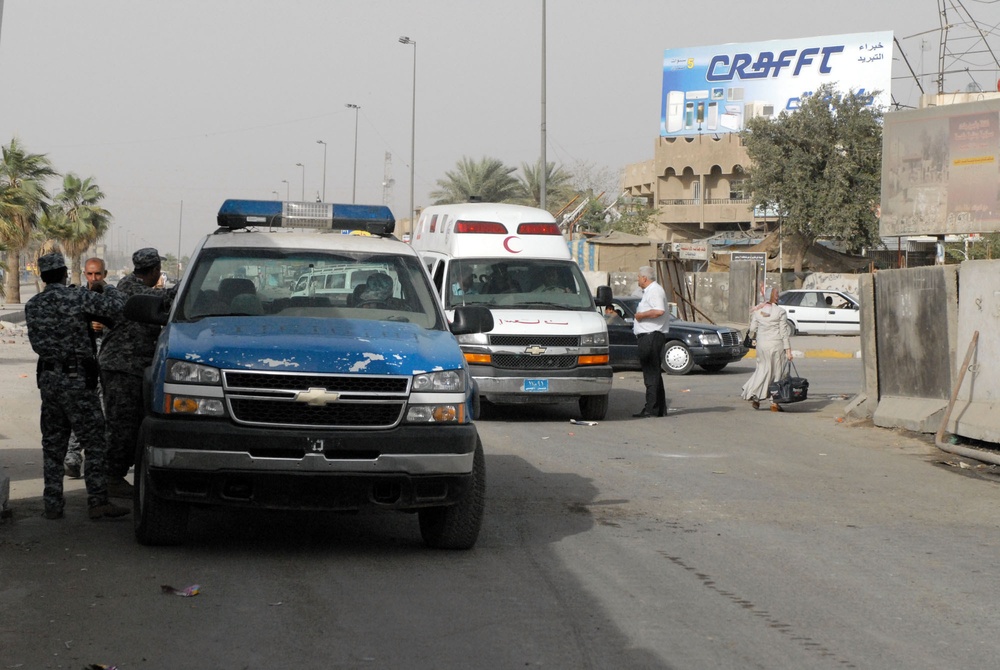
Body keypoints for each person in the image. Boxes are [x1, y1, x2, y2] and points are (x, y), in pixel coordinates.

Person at [25, 252, 129, 520]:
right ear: (63, 273)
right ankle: (97, 502)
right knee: (94, 442)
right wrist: (105, 287)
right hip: (76, 380)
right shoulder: (78, 297)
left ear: (42, 276)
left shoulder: (34, 304)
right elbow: (118, 308)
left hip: (49, 380)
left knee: (53, 444)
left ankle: (53, 505)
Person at [99, 248, 177, 497]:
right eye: (158, 270)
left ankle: (114, 474)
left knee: (131, 424)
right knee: (121, 424)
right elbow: (167, 298)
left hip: (132, 367)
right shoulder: (130, 288)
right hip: (122, 368)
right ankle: (110, 477)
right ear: (154, 270)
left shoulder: (133, 285)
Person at [64, 257, 110, 479]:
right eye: (90, 274)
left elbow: (128, 328)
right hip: (84, 365)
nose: (93, 279)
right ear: (84, 274)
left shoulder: (113, 298)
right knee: (80, 411)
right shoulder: (76, 298)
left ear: (105, 274)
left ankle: (105, 463)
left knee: (107, 414)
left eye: (98, 274)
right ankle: (73, 456)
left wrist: (106, 326)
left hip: (108, 364)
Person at [740, 286, 794, 412]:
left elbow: (752, 328)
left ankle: (756, 397)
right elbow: (784, 333)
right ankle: (774, 402)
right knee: (777, 373)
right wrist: (788, 350)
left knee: (763, 370)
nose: (778, 296)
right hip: (776, 345)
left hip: (762, 346)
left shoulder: (758, 310)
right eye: (777, 294)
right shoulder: (780, 312)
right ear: (774, 296)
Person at [632, 266, 670, 418]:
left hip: (651, 336)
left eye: (638, 277)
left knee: (650, 374)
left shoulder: (654, 290)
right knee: (654, 373)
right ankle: (658, 408)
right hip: (648, 335)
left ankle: (651, 408)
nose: (638, 280)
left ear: (644, 278)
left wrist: (641, 315)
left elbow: (659, 310)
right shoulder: (650, 291)